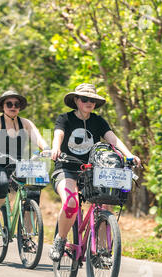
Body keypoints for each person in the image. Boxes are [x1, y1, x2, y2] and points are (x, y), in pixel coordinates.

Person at [49, 83, 141, 262]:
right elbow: (58, 134)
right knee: (71, 203)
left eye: (92, 100)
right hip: (66, 167)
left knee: (106, 204)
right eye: (84, 99)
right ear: (76, 100)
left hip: (92, 172)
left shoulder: (98, 121)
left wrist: (128, 155)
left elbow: (113, 140)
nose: (88, 102)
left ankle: (101, 251)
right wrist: (55, 148)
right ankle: (60, 240)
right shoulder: (65, 118)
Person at [0, 90, 50, 235]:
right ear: (2, 106)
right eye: (9, 104)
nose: (13, 107)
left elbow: (37, 137)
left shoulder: (25, 123)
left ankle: (27, 236)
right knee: (0, 184)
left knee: (33, 191)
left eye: (16, 104)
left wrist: (46, 149)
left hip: (17, 164)